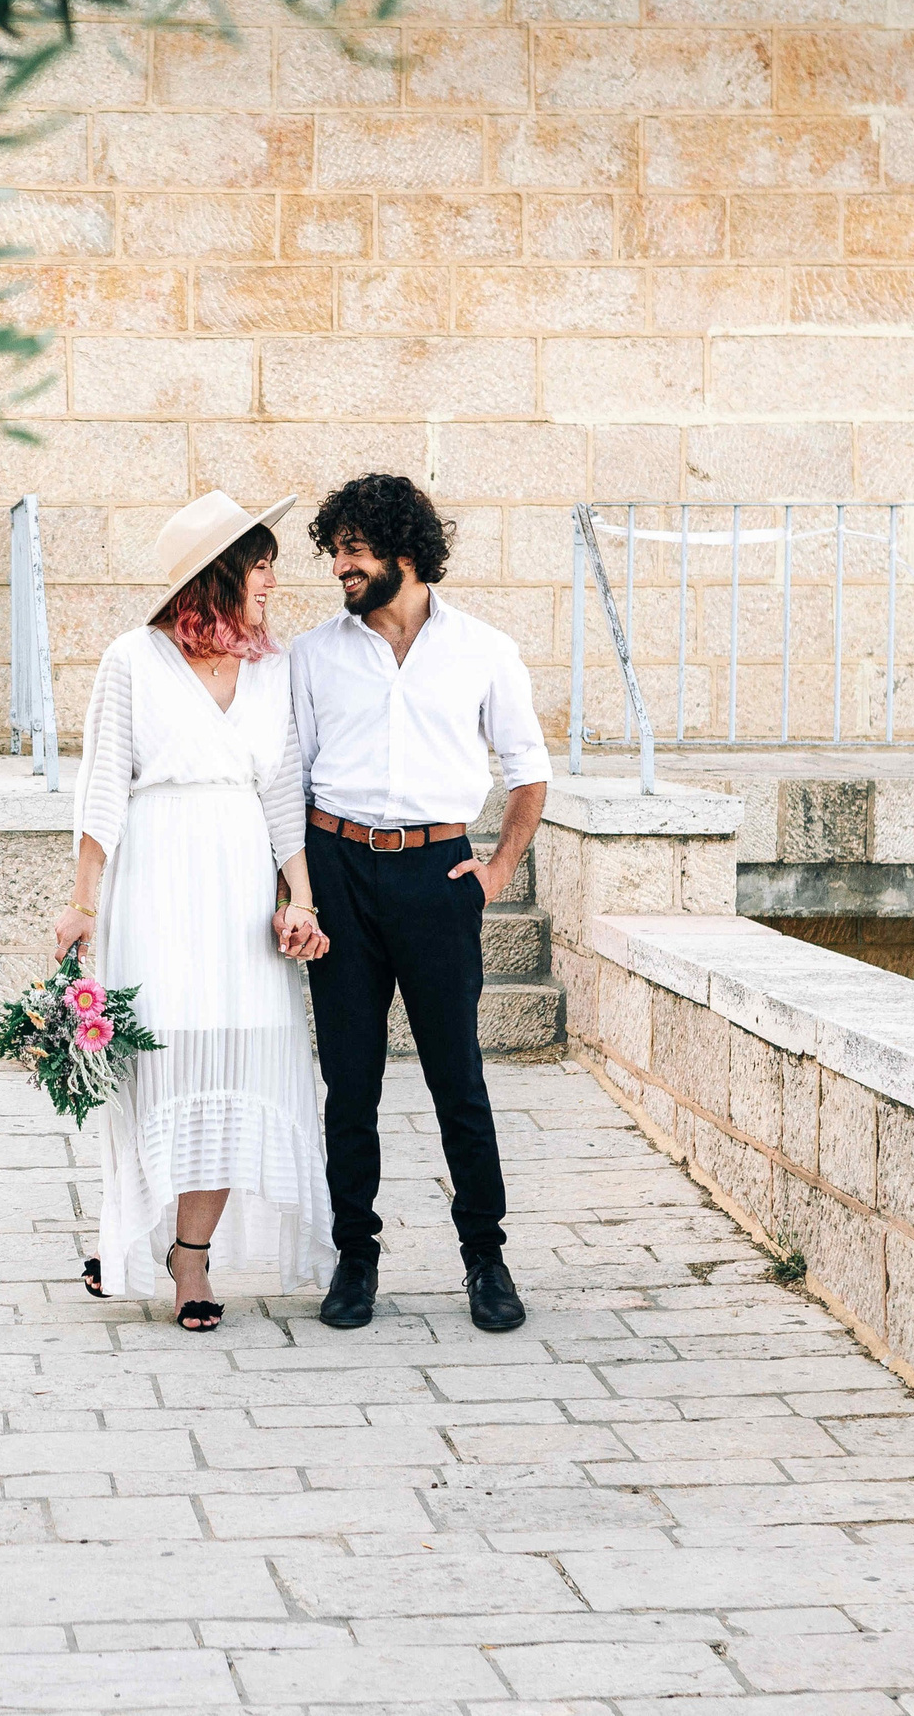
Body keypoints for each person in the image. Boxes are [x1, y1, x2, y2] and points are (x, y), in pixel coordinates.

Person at [54, 490, 338, 1332]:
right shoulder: (132, 660)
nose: (272, 583)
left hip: (238, 888)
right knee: (159, 1063)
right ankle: (129, 1234)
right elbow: (102, 788)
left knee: (232, 1062)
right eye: (260, 566)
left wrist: (301, 896)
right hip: (157, 883)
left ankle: (191, 1256)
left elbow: (282, 791)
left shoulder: (273, 668)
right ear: (219, 574)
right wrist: (82, 903)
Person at [290, 473, 551, 1334]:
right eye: (336, 551)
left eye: (354, 551)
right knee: (350, 1081)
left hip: (438, 875)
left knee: (457, 1078)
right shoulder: (314, 655)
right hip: (338, 868)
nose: (340, 567)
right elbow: (292, 781)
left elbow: (529, 770)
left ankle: (486, 1257)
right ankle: (354, 1258)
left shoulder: (483, 650)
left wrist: (496, 870)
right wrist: (300, 893)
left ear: (406, 551)